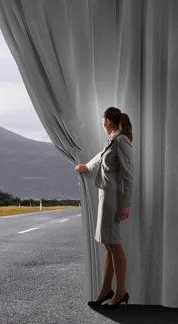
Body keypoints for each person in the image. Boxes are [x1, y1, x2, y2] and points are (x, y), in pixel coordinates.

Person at [75, 107, 134, 309]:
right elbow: (101, 156)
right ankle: (105, 289)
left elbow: (129, 176)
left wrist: (126, 204)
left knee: (114, 244)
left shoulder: (121, 141)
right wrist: (86, 166)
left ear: (108, 121)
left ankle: (120, 291)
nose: (102, 123)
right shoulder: (112, 140)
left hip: (114, 199)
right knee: (108, 243)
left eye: (102, 120)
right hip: (105, 196)